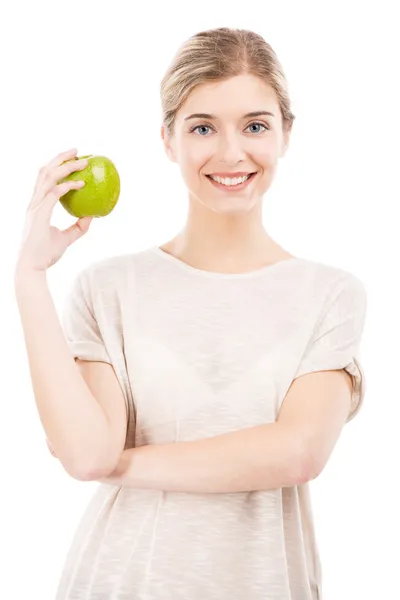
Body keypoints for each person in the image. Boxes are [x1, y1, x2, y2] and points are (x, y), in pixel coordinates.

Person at [14, 27, 367, 600]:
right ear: (168, 139)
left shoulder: (329, 294)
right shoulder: (109, 288)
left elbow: (299, 453)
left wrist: (116, 464)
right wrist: (30, 277)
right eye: (203, 127)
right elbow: (83, 453)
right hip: (120, 580)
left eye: (255, 125)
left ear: (285, 134)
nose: (231, 153)